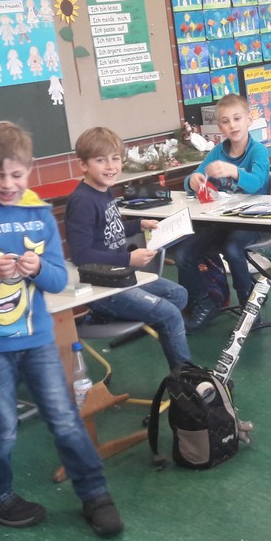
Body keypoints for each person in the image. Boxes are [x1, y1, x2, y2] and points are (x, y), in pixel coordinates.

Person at [0, 121, 123, 536]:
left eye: (16, 175)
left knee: (64, 418)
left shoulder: (38, 215)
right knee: (2, 425)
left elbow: (58, 279)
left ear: (29, 169)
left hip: (36, 340)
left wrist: (38, 268)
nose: (7, 184)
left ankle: (95, 495)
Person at [64, 126, 191, 370]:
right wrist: (128, 259)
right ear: (83, 165)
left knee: (178, 295)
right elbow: (80, 255)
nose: (110, 166)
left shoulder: (104, 190)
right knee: (169, 314)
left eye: (115, 159)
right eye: (101, 160)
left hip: (120, 276)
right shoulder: (82, 202)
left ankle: (139, 314)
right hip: (101, 286)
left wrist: (138, 224)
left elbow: (109, 228)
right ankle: (185, 377)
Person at [176, 94, 271, 332]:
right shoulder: (218, 151)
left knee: (232, 248)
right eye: (226, 121)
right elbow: (194, 177)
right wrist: (193, 181)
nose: (233, 125)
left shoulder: (257, 151)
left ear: (249, 120)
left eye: (237, 119)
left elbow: (258, 183)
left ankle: (248, 306)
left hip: (253, 221)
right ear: (219, 127)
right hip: (221, 221)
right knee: (183, 252)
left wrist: (233, 171)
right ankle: (205, 302)